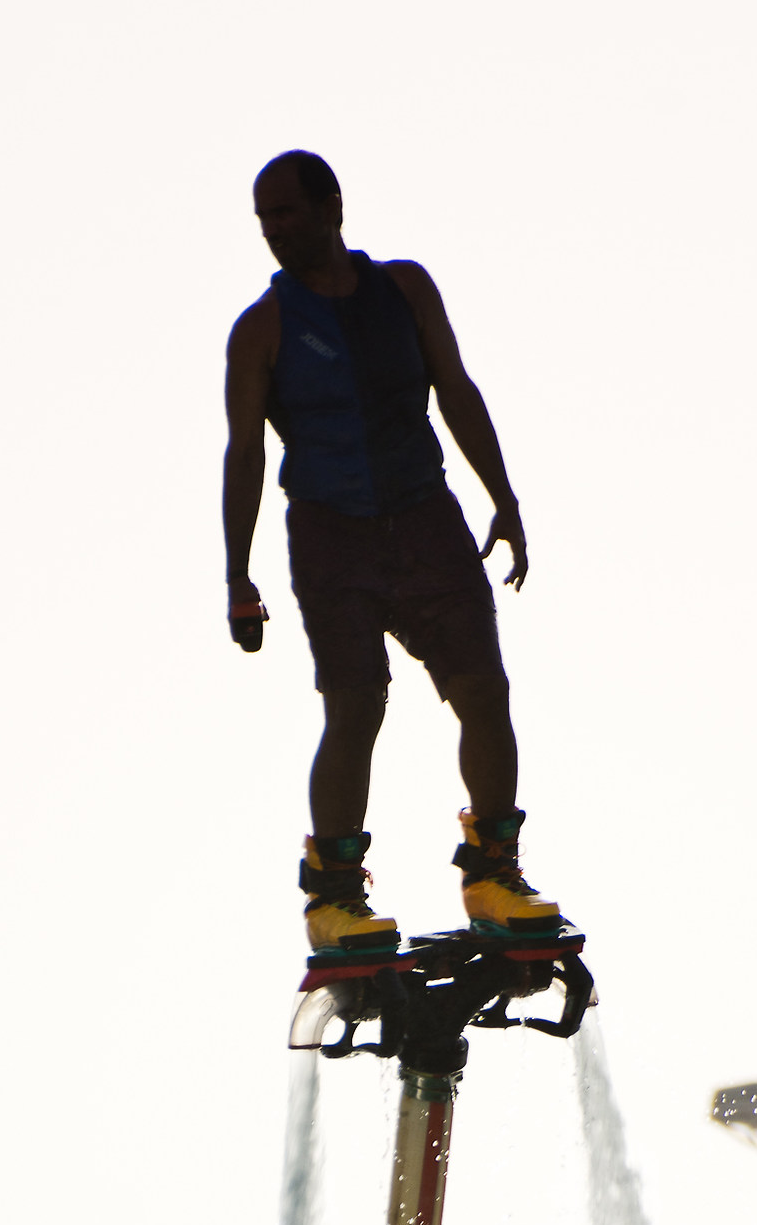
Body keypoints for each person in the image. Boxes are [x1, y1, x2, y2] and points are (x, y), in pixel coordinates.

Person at [223, 150, 575, 959]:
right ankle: (334, 897)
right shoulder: (262, 330)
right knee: (356, 707)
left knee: (484, 690)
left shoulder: (406, 289)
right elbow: (244, 452)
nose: (274, 231)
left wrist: (504, 497)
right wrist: (238, 575)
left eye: (286, 213)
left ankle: (494, 873)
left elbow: (455, 389)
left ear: (332, 207)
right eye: (263, 219)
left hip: (425, 520)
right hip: (331, 536)